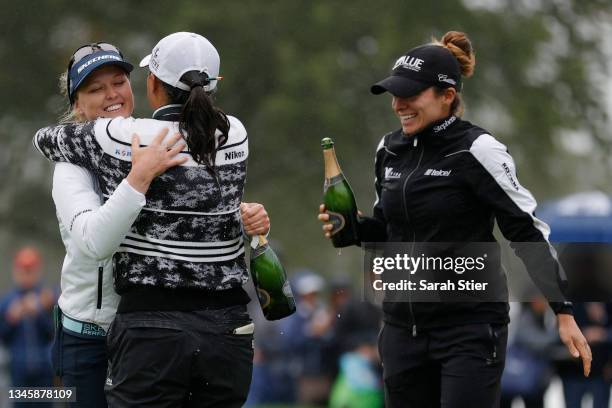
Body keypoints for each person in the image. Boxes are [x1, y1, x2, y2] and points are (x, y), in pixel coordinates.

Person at [318, 31, 591, 407]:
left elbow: (525, 231)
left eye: (411, 94)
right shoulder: (388, 149)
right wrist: (353, 228)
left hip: (470, 329)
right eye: (395, 95)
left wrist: (562, 311)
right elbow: (389, 231)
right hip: (401, 329)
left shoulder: (478, 149)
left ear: (447, 96)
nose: (399, 104)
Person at [38, 36, 269, 407]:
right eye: (96, 89)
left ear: (145, 85)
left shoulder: (154, 137)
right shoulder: (71, 165)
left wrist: (244, 217)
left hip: (145, 327)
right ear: (77, 107)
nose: (112, 94)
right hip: (89, 335)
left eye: (118, 82)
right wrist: (137, 179)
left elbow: (196, 214)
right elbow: (92, 242)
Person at [0, 247, 55, 408]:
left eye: (30, 270)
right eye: (23, 270)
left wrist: (40, 311)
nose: (26, 274)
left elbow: (54, 332)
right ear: (16, 271)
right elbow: (3, 336)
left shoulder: (46, 297)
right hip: (18, 369)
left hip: (44, 368)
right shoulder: (7, 301)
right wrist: (11, 319)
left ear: (37, 271)